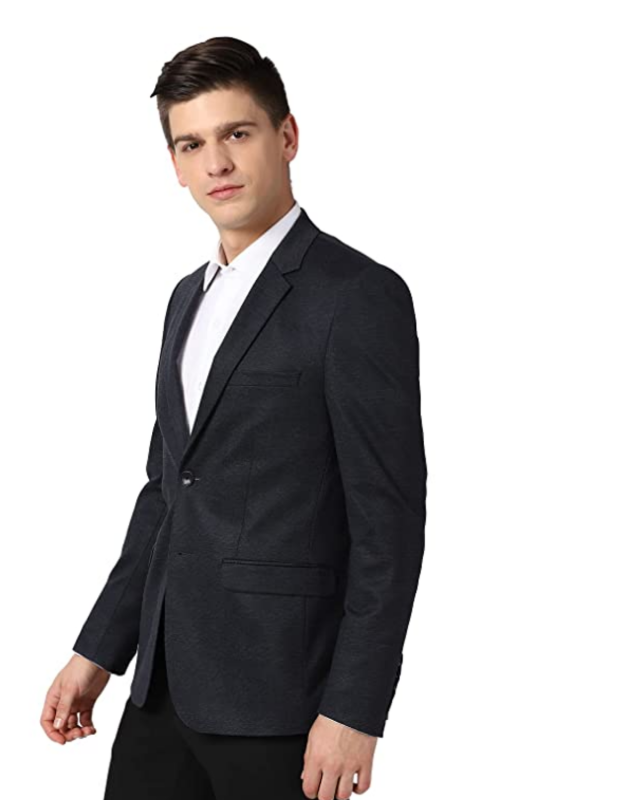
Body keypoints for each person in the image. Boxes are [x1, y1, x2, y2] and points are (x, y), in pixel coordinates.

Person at [41, 36, 427, 800]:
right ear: (175, 165)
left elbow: (389, 525)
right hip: (161, 689)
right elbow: (167, 493)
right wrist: (99, 651)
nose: (216, 162)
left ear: (287, 136)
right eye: (192, 144)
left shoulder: (357, 297)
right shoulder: (184, 299)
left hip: (284, 700)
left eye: (237, 134)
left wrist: (355, 709)